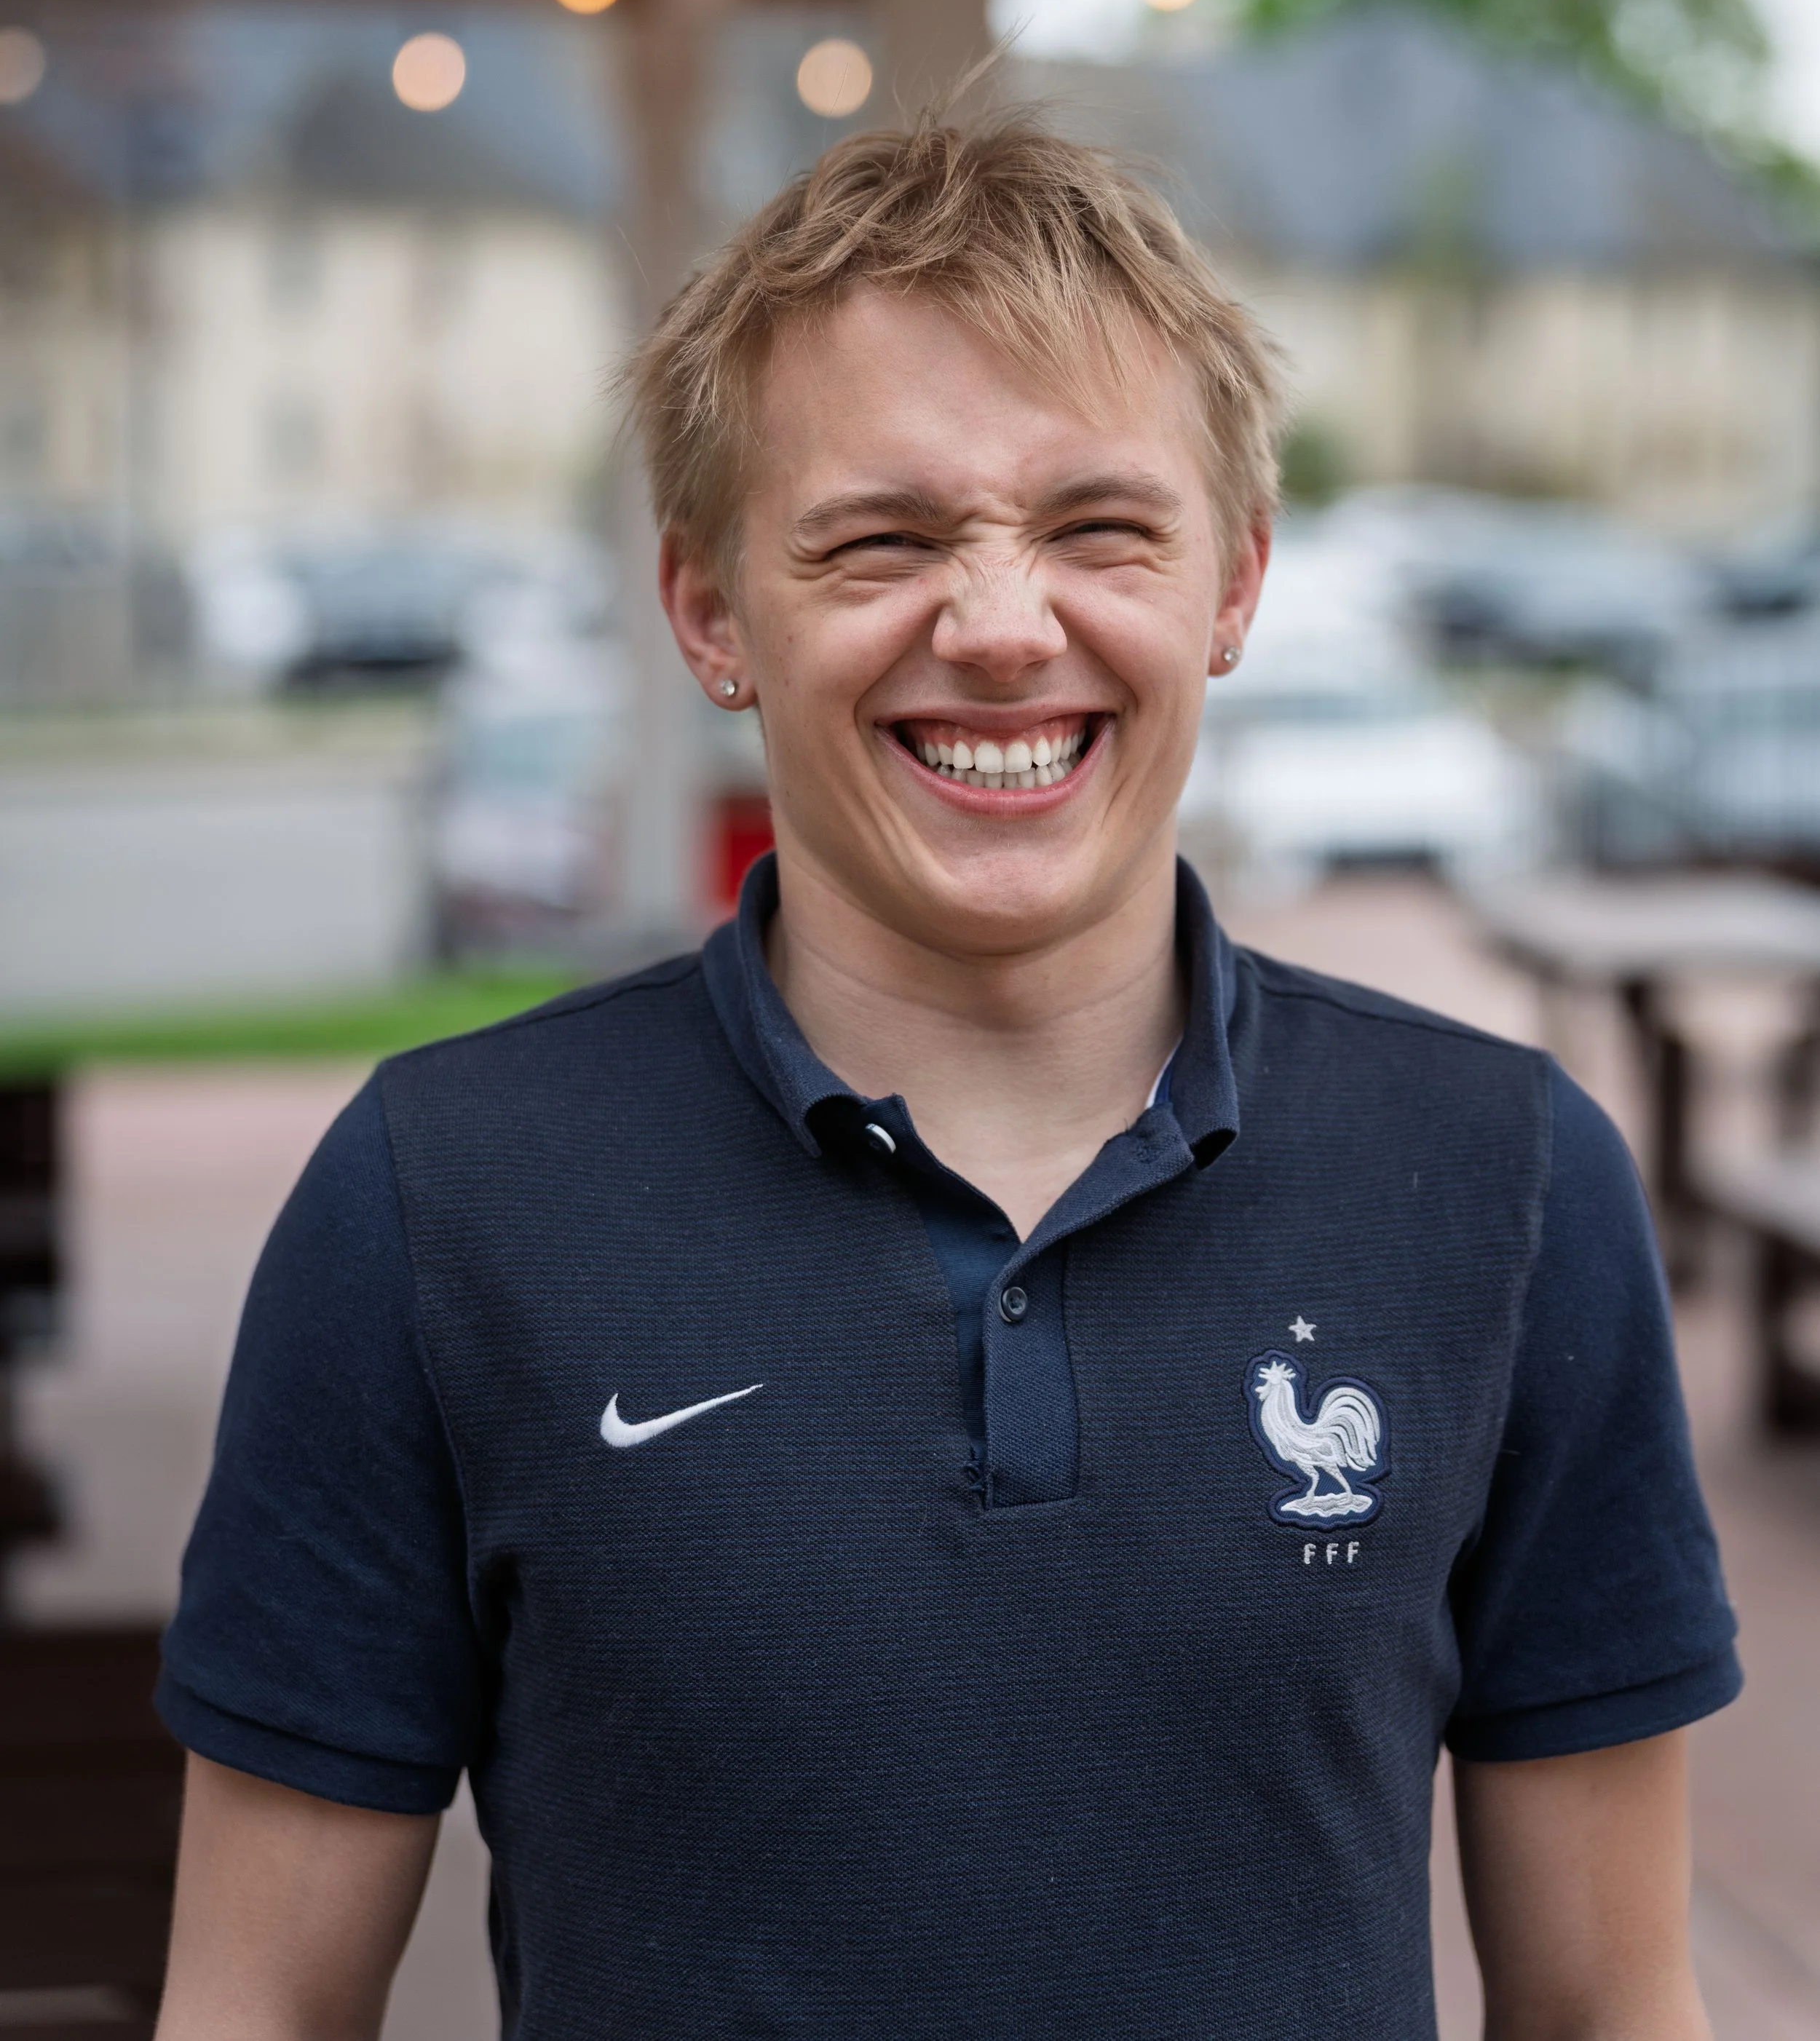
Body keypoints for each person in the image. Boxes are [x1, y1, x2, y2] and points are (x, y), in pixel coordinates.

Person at [154, 119, 1737, 2041]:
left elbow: (1606, 2006)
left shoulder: (1505, 1184)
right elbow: (252, 2011)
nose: (999, 626)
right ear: (713, 608)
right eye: (881, 537)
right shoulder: (439, 1192)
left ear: (1232, 581)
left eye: (1098, 527)